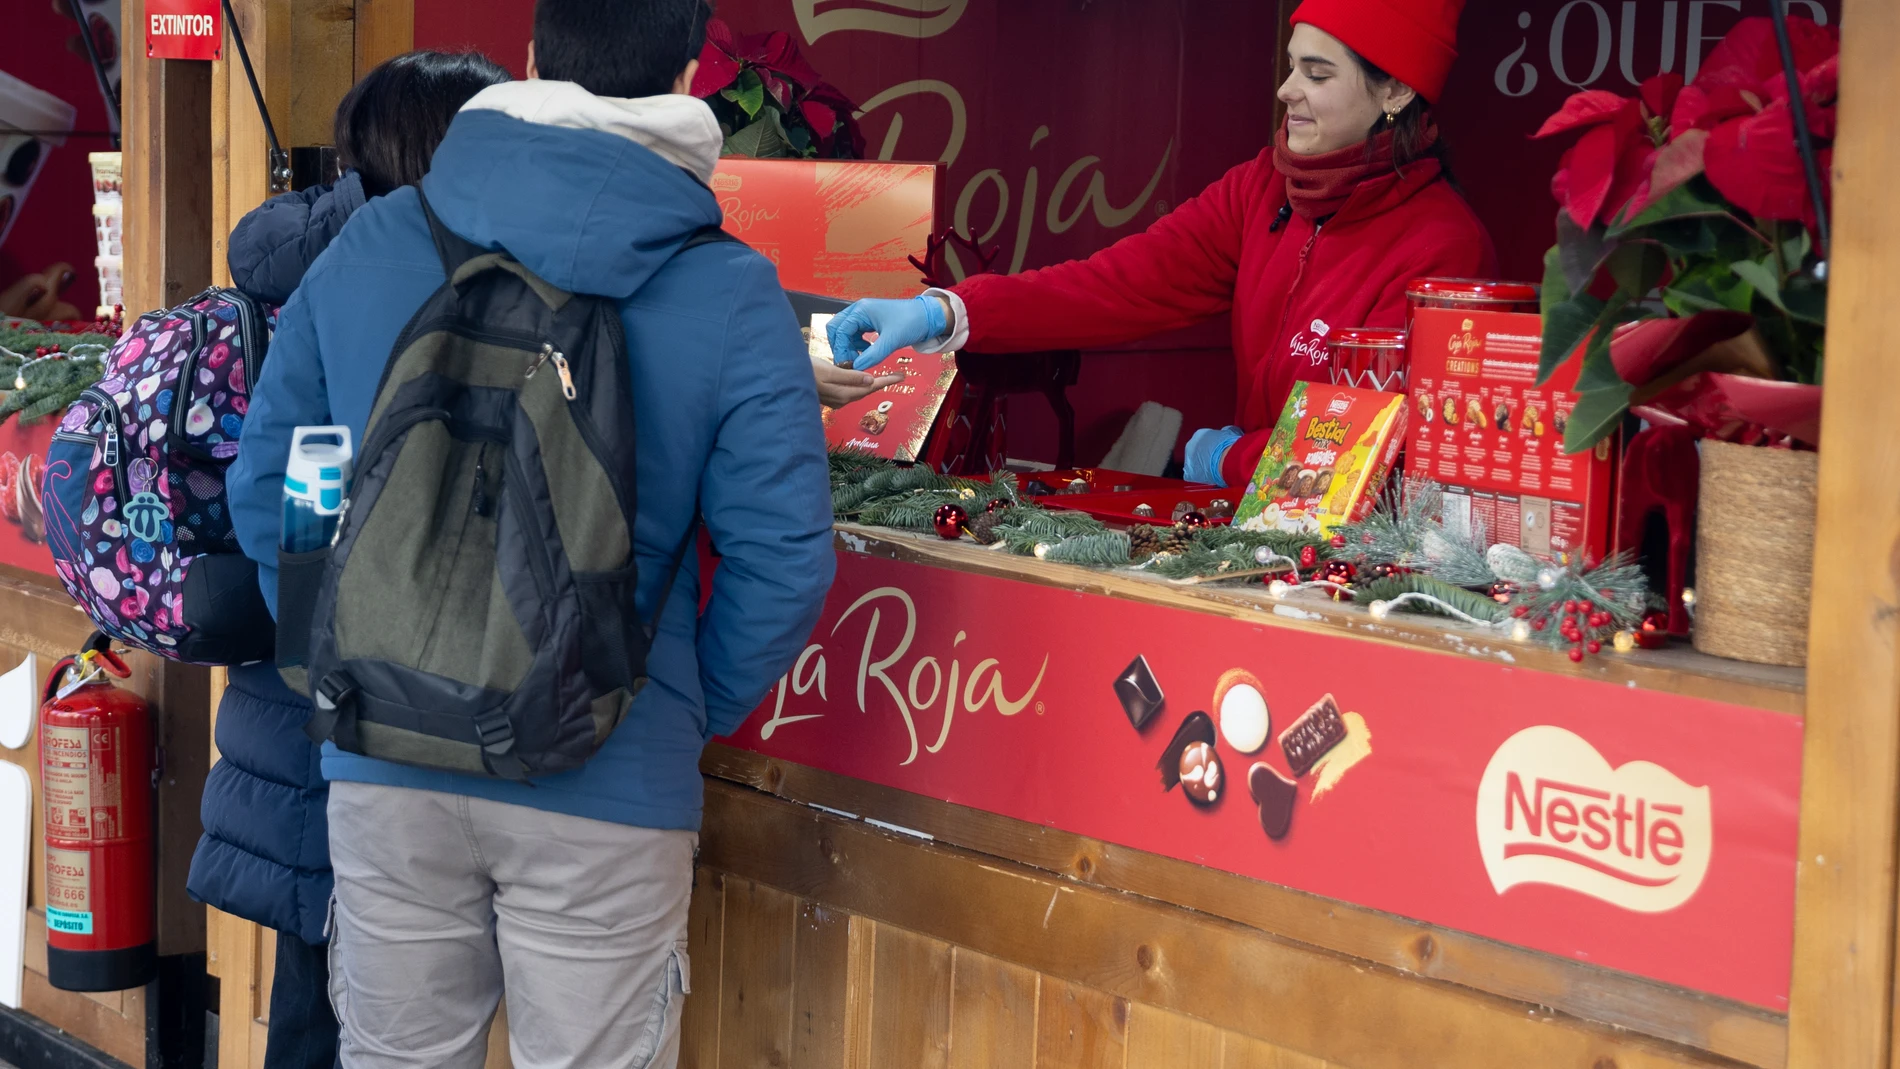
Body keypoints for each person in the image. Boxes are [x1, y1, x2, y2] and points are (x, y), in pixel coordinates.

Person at [224, 1, 835, 1065]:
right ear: (691, 74)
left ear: (532, 60)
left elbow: (280, 478)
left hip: (385, 761)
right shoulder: (732, 291)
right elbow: (782, 560)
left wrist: (340, 646)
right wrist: (666, 704)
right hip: (608, 775)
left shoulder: (374, 240)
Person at [186, 49, 511, 1069]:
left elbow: (286, 486)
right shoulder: (405, 269)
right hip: (367, 721)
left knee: (322, 991)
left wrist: (317, 635)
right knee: (343, 1004)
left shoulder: (313, 261)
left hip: (312, 704)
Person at [827, 0, 1493, 488]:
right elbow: (1115, 285)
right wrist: (946, 312)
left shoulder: (1444, 247)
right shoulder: (1262, 189)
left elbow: (1378, 451)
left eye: (1317, 74)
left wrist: (1224, 457)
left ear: (1397, 90)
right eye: (1291, 65)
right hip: (1246, 539)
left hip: (1360, 566)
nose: (1287, 90)